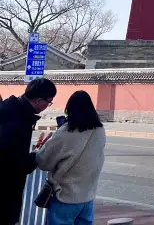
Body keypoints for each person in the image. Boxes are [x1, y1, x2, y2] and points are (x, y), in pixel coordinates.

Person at [36, 91, 106, 225]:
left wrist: (44, 145)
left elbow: (43, 162)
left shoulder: (65, 132)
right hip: (87, 197)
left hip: (65, 197)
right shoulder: (99, 130)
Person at [0, 78, 57, 225]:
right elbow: (18, 163)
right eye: (49, 102)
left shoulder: (9, 109)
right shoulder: (19, 120)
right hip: (5, 189)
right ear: (38, 100)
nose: (48, 106)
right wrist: (38, 153)